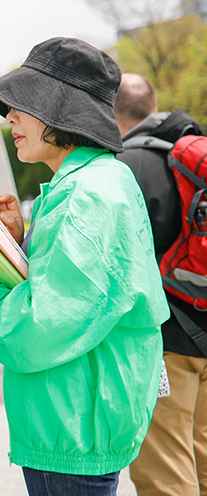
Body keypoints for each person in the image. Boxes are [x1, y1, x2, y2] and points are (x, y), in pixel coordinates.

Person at [0, 38, 170, 496]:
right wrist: (19, 245)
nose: (10, 118)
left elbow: (41, 326)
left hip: (72, 422)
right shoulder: (98, 179)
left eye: (22, 105)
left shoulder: (84, 195)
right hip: (78, 417)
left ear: (60, 111)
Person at [115, 73, 207, 496]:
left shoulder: (126, 165)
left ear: (109, 111)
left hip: (167, 339)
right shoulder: (191, 153)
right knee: (202, 458)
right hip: (203, 323)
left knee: (165, 470)